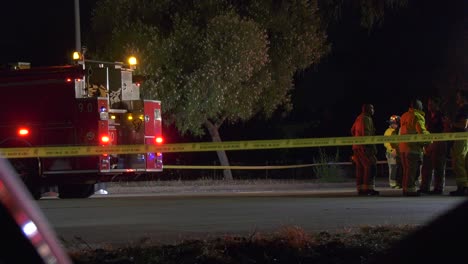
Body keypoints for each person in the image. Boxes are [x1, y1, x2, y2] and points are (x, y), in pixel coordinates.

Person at [399, 99, 430, 196]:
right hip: (413, 148)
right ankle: (410, 190)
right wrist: (430, 139)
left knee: (406, 170)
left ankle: (406, 189)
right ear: (418, 106)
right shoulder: (417, 116)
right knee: (412, 171)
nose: (422, 107)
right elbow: (422, 132)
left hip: (403, 147)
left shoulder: (404, 116)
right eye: (421, 105)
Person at [419, 96, 448, 195]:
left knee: (438, 166)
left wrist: (442, 140)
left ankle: (438, 188)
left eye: (431, 104)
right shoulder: (427, 116)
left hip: (439, 142)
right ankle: (424, 187)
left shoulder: (441, 115)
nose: (429, 106)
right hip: (429, 142)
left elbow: (446, 127)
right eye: (428, 104)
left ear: (437, 104)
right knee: (426, 166)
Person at [351, 104, 379, 196]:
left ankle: (361, 189)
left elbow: (352, 130)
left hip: (356, 146)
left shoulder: (358, 118)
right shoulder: (366, 119)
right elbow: (366, 133)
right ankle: (368, 188)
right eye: (372, 108)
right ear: (367, 109)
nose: (373, 110)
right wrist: (369, 147)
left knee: (360, 168)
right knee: (369, 167)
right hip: (364, 147)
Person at [449, 89, 468, 196]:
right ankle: (464, 187)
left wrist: (451, 123)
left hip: (461, 138)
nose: (457, 98)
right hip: (463, 138)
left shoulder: (464, 108)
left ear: (463, 97)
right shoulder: (464, 108)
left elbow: (464, 125)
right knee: (463, 162)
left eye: (458, 96)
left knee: (458, 162)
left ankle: (462, 187)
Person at [383, 115, 403, 189]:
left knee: (400, 168)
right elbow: (386, 143)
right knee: (393, 168)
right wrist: (391, 150)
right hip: (391, 153)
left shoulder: (400, 130)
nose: (393, 124)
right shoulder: (388, 131)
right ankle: (393, 183)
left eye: (394, 123)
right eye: (392, 123)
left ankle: (399, 183)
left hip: (399, 152)